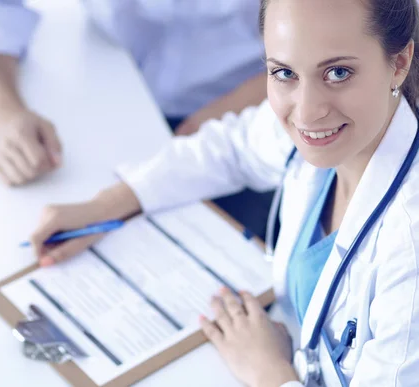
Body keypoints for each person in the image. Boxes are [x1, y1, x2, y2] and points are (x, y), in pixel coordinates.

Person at [28, 0, 419, 385]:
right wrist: (108, 205)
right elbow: (231, 147)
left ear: (399, 63)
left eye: (337, 73)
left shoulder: (410, 247)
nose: (305, 112)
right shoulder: (327, 132)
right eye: (283, 73)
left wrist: (269, 372)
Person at [0, 0, 273, 239]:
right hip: (111, 90)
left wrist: (239, 104)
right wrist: (5, 114)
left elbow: (323, 34)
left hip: (258, 110)